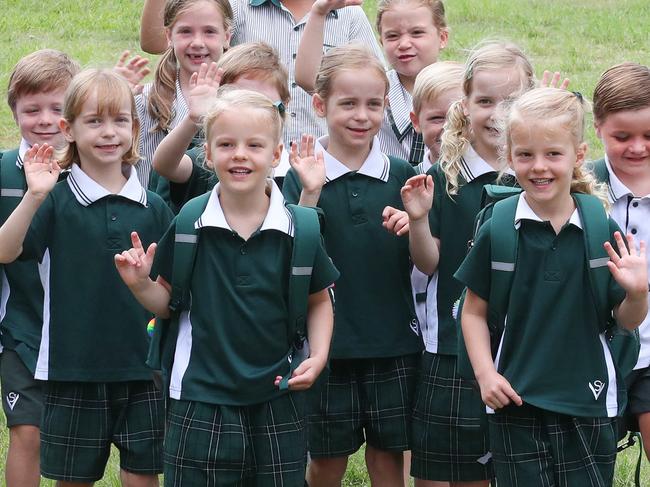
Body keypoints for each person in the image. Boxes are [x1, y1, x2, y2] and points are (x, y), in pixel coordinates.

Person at [116, 88, 338, 485]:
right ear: (208, 153)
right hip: (200, 397)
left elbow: (319, 300)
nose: (239, 154)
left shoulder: (299, 228)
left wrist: (319, 355)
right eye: (226, 144)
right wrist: (139, 285)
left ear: (276, 155)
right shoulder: (190, 222)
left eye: (254, 145)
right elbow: (166, 302)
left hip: (278, 393)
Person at [456, 87, 648, 486]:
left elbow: (624, 321)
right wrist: (485, 375)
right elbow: (472, 311)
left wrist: (638, 292)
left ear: (578, 155)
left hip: (589, 401)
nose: (538, 167)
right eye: (525, 154)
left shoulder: (600, 228)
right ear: (509, 156)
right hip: (514, 400)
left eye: (553, 154)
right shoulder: (499, 229)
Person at [0, 69, 173, 486]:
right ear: (68, 129)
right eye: (94, 121)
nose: (109, 132)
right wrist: (35, 195)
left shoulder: (154, 207)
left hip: (144, 371)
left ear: (135, 129)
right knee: (72, 479)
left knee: (142, 477)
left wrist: (142, 284)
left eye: (120, 121)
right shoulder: (54, 198)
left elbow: (170, 299)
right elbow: (5, 252)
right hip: (70, 371)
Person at [283, 44, 421, 487]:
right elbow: (292, 254)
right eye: (348, 103)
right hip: (328, 349)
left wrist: (415, 222)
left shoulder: (403, 174)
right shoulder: (301, 173)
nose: (362, 115)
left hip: (394, 342)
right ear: (320, 105)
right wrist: (309, 193)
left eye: (373, 104)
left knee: (389, 457)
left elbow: (426, 256)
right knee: (326, 461)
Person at [401, 41, 536, 487]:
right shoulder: (444, 177)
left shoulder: (539, 177)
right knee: (444, 474)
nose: (498, 113)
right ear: (465, 102)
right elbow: (429, 260)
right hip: (452, 350)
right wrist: (419, 221)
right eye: (485, 101)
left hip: (523, 350)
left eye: (512, 101)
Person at [139, 0, 382, 146]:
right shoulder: (239, 7)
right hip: (249, 153)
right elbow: (156, 41)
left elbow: (376, 84)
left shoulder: (348, 13)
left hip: (321, 156)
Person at [0, 48, 79, 487]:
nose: (46, 119)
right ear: (15, 113)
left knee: (74, 440)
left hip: (82, 329)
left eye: (59, 107)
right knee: (26, 431)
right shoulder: (3, 172)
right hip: (23, 326)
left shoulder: (94, 167)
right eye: (32, 109)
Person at [294, 0, 448, 166]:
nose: (404, 44)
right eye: (392, 36)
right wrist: (319, 12)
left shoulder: (458, 87)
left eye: (417, 33)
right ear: (381, 41)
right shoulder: (375, 87)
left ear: (442, 37)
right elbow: (310, 78)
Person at [152, 42, 292, 212]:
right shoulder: (212, 155)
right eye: (236, 99)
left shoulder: (298, 169)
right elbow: (165, 165)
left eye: (261, 103)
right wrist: (193, 119)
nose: (248, 114)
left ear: (283, 106)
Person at [592, 62, 650, 461]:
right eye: (622, 136)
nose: (637, 147)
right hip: (593, 349)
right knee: (591, 461)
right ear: (597, 127)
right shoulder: (581, 186)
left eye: (649, 135)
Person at [136, 0, 233, 189]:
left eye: (209, 32)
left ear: (227, 36)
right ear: (168, 36)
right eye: (186, 31)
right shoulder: (145, 101)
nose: (197, 42)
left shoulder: (240, 101)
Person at [410, 61, 463, 175]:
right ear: (416, 121)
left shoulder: (494, 181)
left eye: (459, 116)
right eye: (437, 118)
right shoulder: (407, 181)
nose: (449, 126)